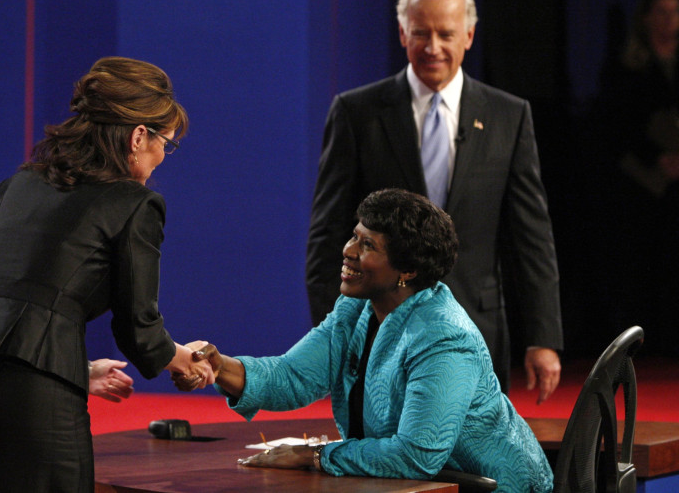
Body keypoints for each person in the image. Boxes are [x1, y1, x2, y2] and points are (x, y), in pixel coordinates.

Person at [0, 56, 214, 493]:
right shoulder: (134, 203)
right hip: (33, 405)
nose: (164, 155)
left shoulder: (17, 186)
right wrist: (187, 361)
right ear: (138, 136)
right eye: (166, 142)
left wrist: (78, 369)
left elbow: (2, 302)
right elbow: (140, 331)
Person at [175, 189, 553, 492]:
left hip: (491, 487)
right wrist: (218, 365)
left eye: (367, 245)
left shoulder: (444, 337)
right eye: (354, 237)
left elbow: (416, 455)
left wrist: (315, 455)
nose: (348, 251)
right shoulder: (355, 309)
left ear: (407, 269)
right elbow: (291, 376)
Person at [306, 0, 562, 400]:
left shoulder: (508, 116)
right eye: (421, 32)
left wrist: (543, 336)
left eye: (446, 33)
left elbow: (531, 236)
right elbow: (328, 232)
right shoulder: (357, 112)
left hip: (476, 328)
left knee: (471, 456)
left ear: (469, 35)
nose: (433, 46)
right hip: (377, 327)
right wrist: (332, 331)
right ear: (403, 32)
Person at [588, 0, 679, 355]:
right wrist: (655, 157)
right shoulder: (626, 65)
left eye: (676, 12)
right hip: (638, 182)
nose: (669, 20)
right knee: (639, 266)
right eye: (661, 11)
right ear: (645, 16)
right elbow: (613, 126)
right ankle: (641, 345)